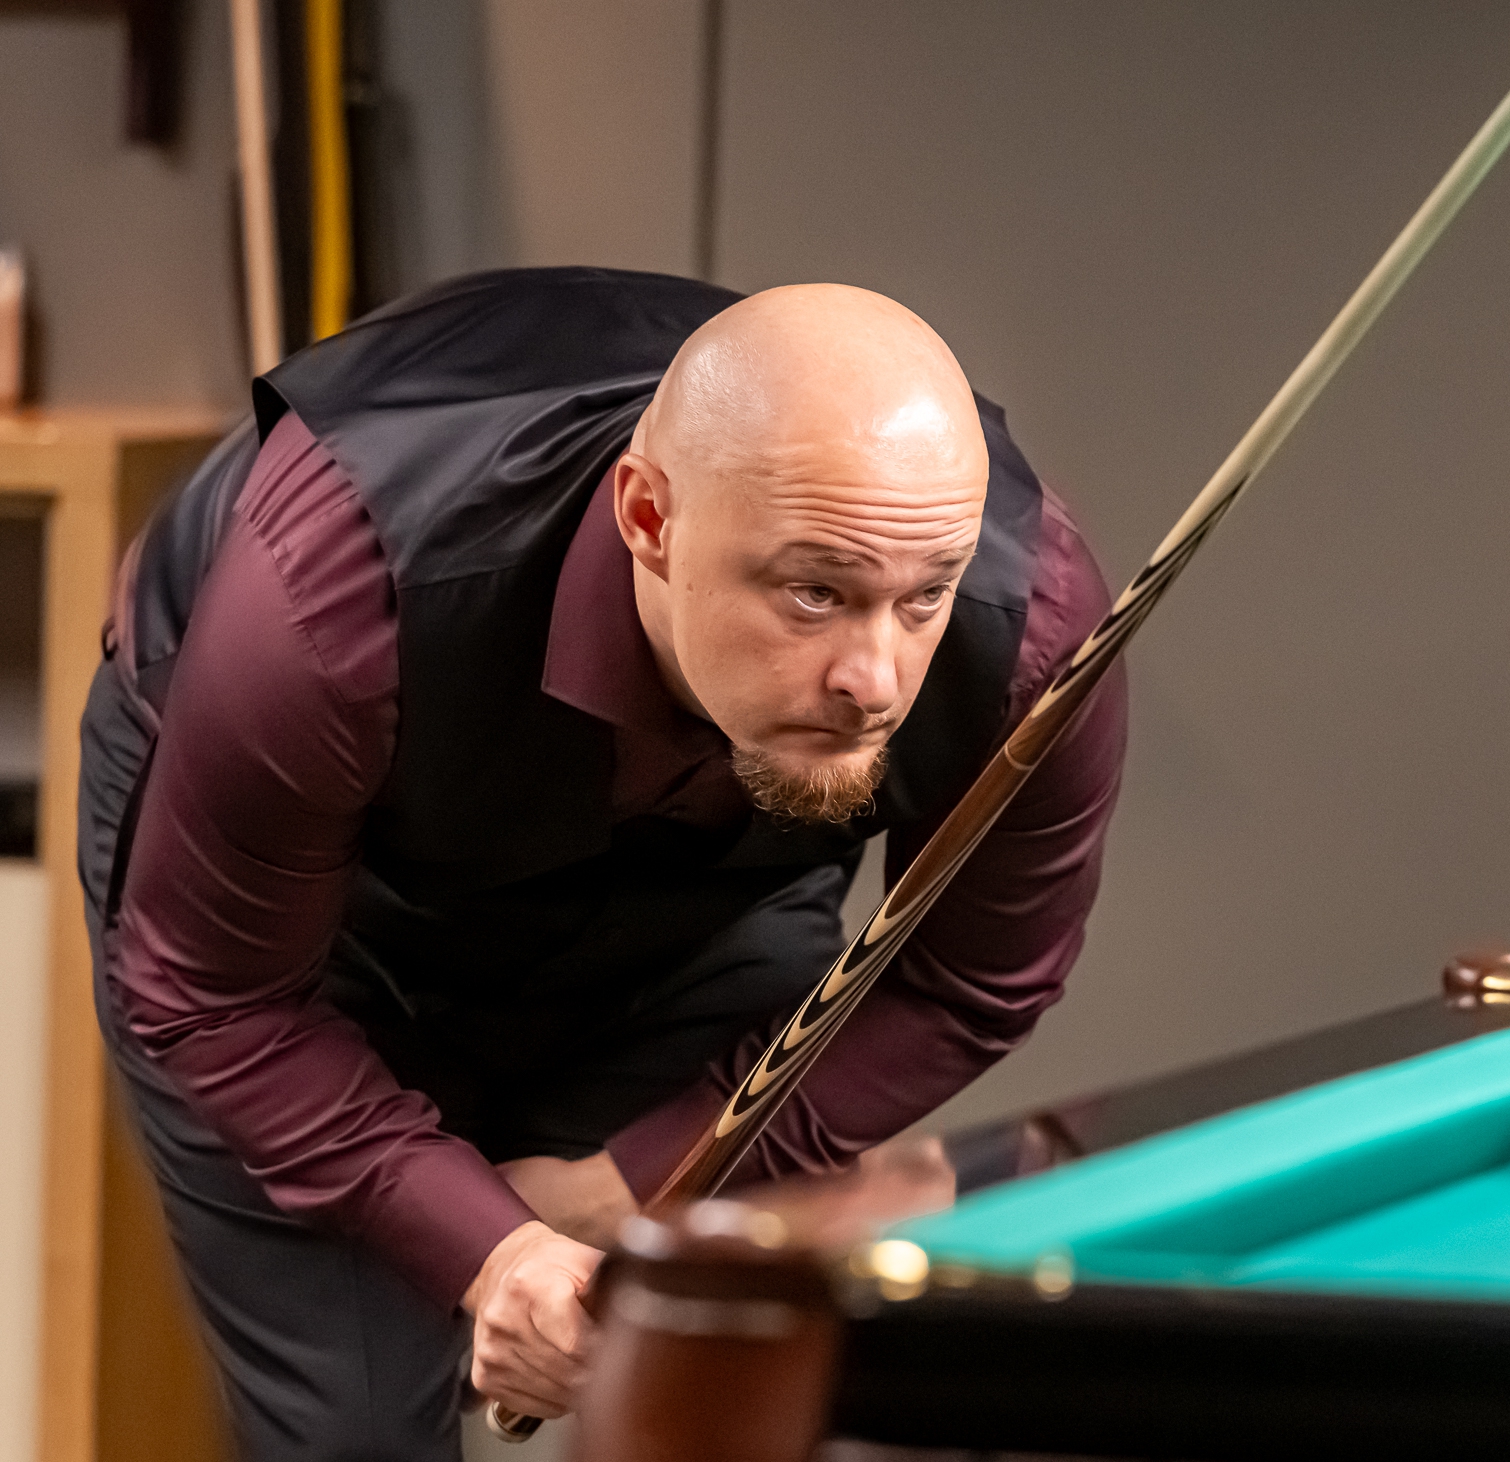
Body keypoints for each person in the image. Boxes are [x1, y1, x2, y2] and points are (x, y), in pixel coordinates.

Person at [77, 268, 1128, 1458]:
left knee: (724, 1378)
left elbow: (970, 980)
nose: (875, 680)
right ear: (649, 521)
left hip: (713, 900)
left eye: (924, 595)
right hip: (306, 922)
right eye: (813, 592)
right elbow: (221, 1000)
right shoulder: (330, 599)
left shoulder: (1035, 629)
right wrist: (494, 1250)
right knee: (355, 1432)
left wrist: (635, 1179)